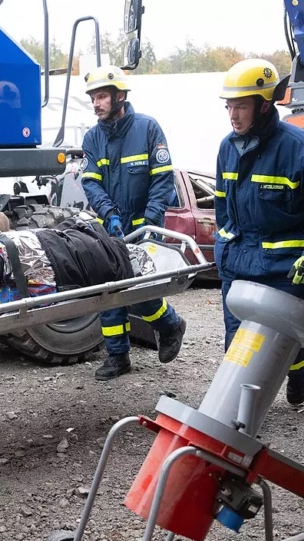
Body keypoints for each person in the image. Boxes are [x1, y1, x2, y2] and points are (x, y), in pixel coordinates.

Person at [214, 59, 304, 405]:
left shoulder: (298, 147)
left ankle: (299, 373)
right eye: (229, 106)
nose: (233, 115)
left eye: (241, 106)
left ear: (264, 103)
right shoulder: (228, 147)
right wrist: (224, 243)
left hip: (285, 268)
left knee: (291, 339)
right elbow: (221, 206)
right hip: (238, 262)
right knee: (238, 340)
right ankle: (245, 404)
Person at [79, 65, 187, 381]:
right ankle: (117, 356)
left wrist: (151, 222)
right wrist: (110, 216)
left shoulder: (148, 129)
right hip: (111, 228)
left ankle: (170, 325)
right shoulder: (92, 138)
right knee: (109, 291)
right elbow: (91, 183)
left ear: (120, 96)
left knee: (142, 289)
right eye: (93, 97)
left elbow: (162, 179)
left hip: (146, 226)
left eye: (101, 96)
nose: (96, 103)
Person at [0, 214, 180, 329]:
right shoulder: (116, 264)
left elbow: (66, 226)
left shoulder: (98, 244)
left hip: (23, 261)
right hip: (26, 267)